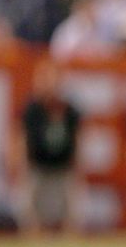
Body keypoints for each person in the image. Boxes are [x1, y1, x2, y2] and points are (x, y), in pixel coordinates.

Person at [15, 59, 81, 234]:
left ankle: (70, 243)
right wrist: (19, 164)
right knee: (30, 210)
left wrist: (78, 165)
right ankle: (31, 241)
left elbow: (78, 138)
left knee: (69, 211)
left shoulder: (68, 109)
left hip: (63, 165)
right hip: (37, 165)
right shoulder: (32, 109)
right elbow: (21, 136)